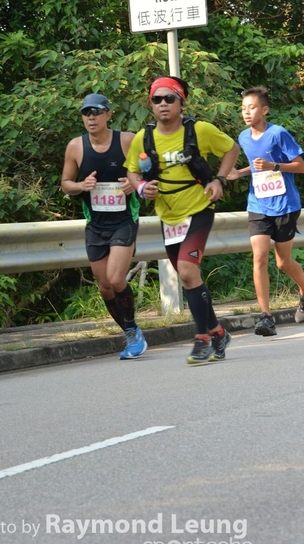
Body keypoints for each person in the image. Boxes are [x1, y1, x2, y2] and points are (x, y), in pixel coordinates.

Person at [125, 76, 240, 365]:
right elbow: (132, 172)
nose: (163, 104)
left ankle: (202, 339)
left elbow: (231, 149)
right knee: (190, 278)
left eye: (170, 98)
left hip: (198, 208)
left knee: (188, 272)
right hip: (168, 216)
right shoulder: (143, 138)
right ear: (151, 104)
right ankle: (218, 332)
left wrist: (219, 180)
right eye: (157, 99)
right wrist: (141, 187)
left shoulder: (199, 130)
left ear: (181, 102)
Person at [61, 93, 147, 359]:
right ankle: (131, 332)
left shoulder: (127, 140)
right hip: (96, 224)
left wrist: (133, 182)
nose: (91, 118)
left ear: (108, 114)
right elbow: (65, 183)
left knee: (116, 278)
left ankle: (132, 331)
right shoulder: (76, 146)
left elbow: (147, 170)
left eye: (96, 112)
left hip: (124, 220)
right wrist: (81, 185)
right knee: (104, 286)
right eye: (86, 113)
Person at [227, 85, 304, 336]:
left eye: (252, 108)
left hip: (285, 205)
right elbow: (256, 166)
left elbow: (300, 166)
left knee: (283, 262)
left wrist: (275, 166)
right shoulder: (243, 137)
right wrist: (239, 173)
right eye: (243, 108)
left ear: (265, 109)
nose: (246, 113)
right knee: (259, 256)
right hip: (258, 205)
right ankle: (266, 317)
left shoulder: (278, 133)